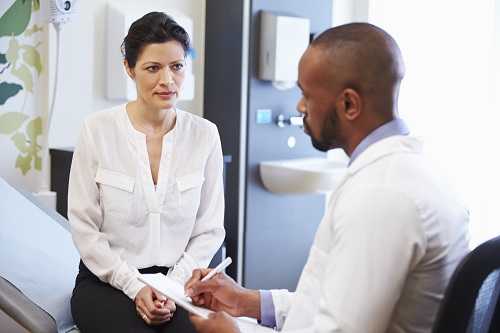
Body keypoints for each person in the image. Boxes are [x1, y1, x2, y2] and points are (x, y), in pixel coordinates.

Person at [185, 23, 470, 333]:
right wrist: (247, 302)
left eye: (307, 94)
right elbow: (331, 303)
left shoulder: (381, 196)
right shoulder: (406, 172)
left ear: (349, 104)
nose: (300, 106)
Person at [68, 12, 225, 333]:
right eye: (153, 68)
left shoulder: (205, 135)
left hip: (182, 283)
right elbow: (84, 228)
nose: (167, 80)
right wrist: (134, 287)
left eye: (177, 66)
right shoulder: (97, 130)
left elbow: (209, 230)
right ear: (129, 68)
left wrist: (173, 286)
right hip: (107, 282)